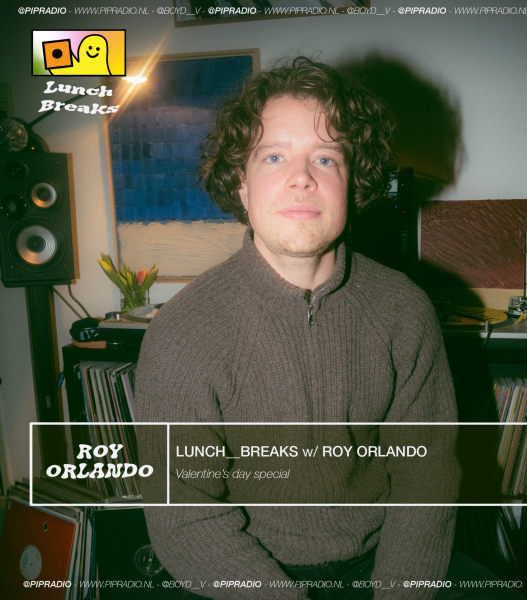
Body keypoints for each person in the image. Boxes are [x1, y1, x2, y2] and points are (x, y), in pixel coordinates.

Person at [135, 57, 497, 600]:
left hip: (383, 561)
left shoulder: (404, 309)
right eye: (274, 156)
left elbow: (426, 477)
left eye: (325, 157)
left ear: (352, 182)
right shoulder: (183, 332)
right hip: (247, 571)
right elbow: (184, 517)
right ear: (241, 184)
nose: (302, 177)